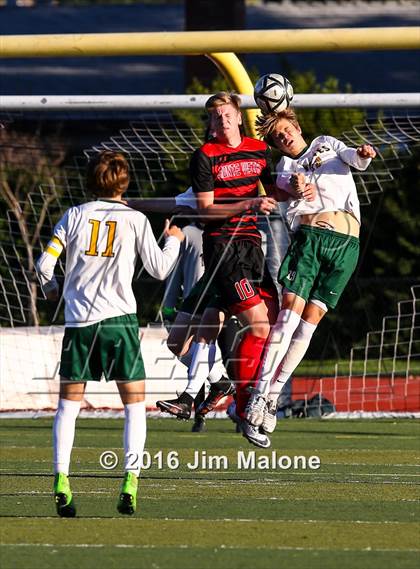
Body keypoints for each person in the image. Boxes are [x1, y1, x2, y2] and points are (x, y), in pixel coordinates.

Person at [156, 92, 309, 448]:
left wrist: (298, 187)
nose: (222, 120)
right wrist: (249, 202)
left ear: (238, 117)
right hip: (223, 250)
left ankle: (214, 393)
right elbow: (206, 212)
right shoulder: (204, 157)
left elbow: (275, 191)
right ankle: (245, 404)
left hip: (252, 247)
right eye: (215, 116)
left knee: (261, 322)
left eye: (227, 114)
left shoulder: (258, 150)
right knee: (257, 324)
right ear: (210, 125)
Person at [36, 150, 183, 517]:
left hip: (80, 325)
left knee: (68, 407)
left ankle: (60, 479)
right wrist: (174, 239)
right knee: (135, 406)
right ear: (124, 182)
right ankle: (130, 481)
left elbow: (43, 265)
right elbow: (161, 270)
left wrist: (52, 289)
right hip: (119, 324)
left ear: (90, 180)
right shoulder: (134, 220)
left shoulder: (74, 215)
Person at [245, 108, 376, 440]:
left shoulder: (326, 143)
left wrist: (363, 153)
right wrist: (298, 185)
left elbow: (354, 158)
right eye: (278, 137)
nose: (285, 137)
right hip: (310, 242)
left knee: (308, 328)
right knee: (287, 321)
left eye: (287, 130)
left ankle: (271, 399)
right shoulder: (284, 167)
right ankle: (259, 394)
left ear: (297, 127)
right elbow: (290, 186)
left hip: (346, 247)